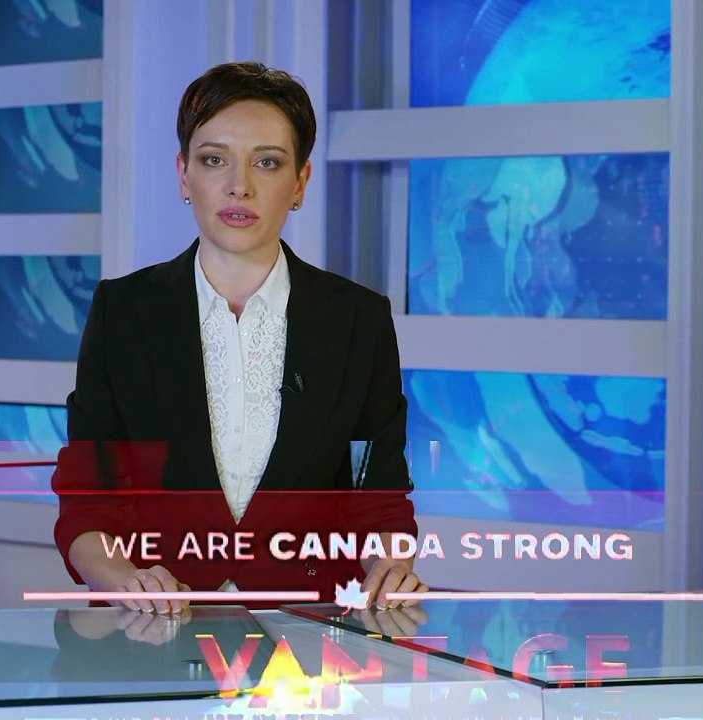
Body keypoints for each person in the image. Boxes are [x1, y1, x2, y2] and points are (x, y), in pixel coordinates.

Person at [51, 61, 426, 614]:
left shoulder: (357, 320)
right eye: (213, 160)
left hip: (306, 636)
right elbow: (88, 505)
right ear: (184, 175)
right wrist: (126, 581)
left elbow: (378, 499)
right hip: (153, 632)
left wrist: (388, 571)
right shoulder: (123, 312)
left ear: (300, 182)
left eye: (267, 162)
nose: (239, 185)